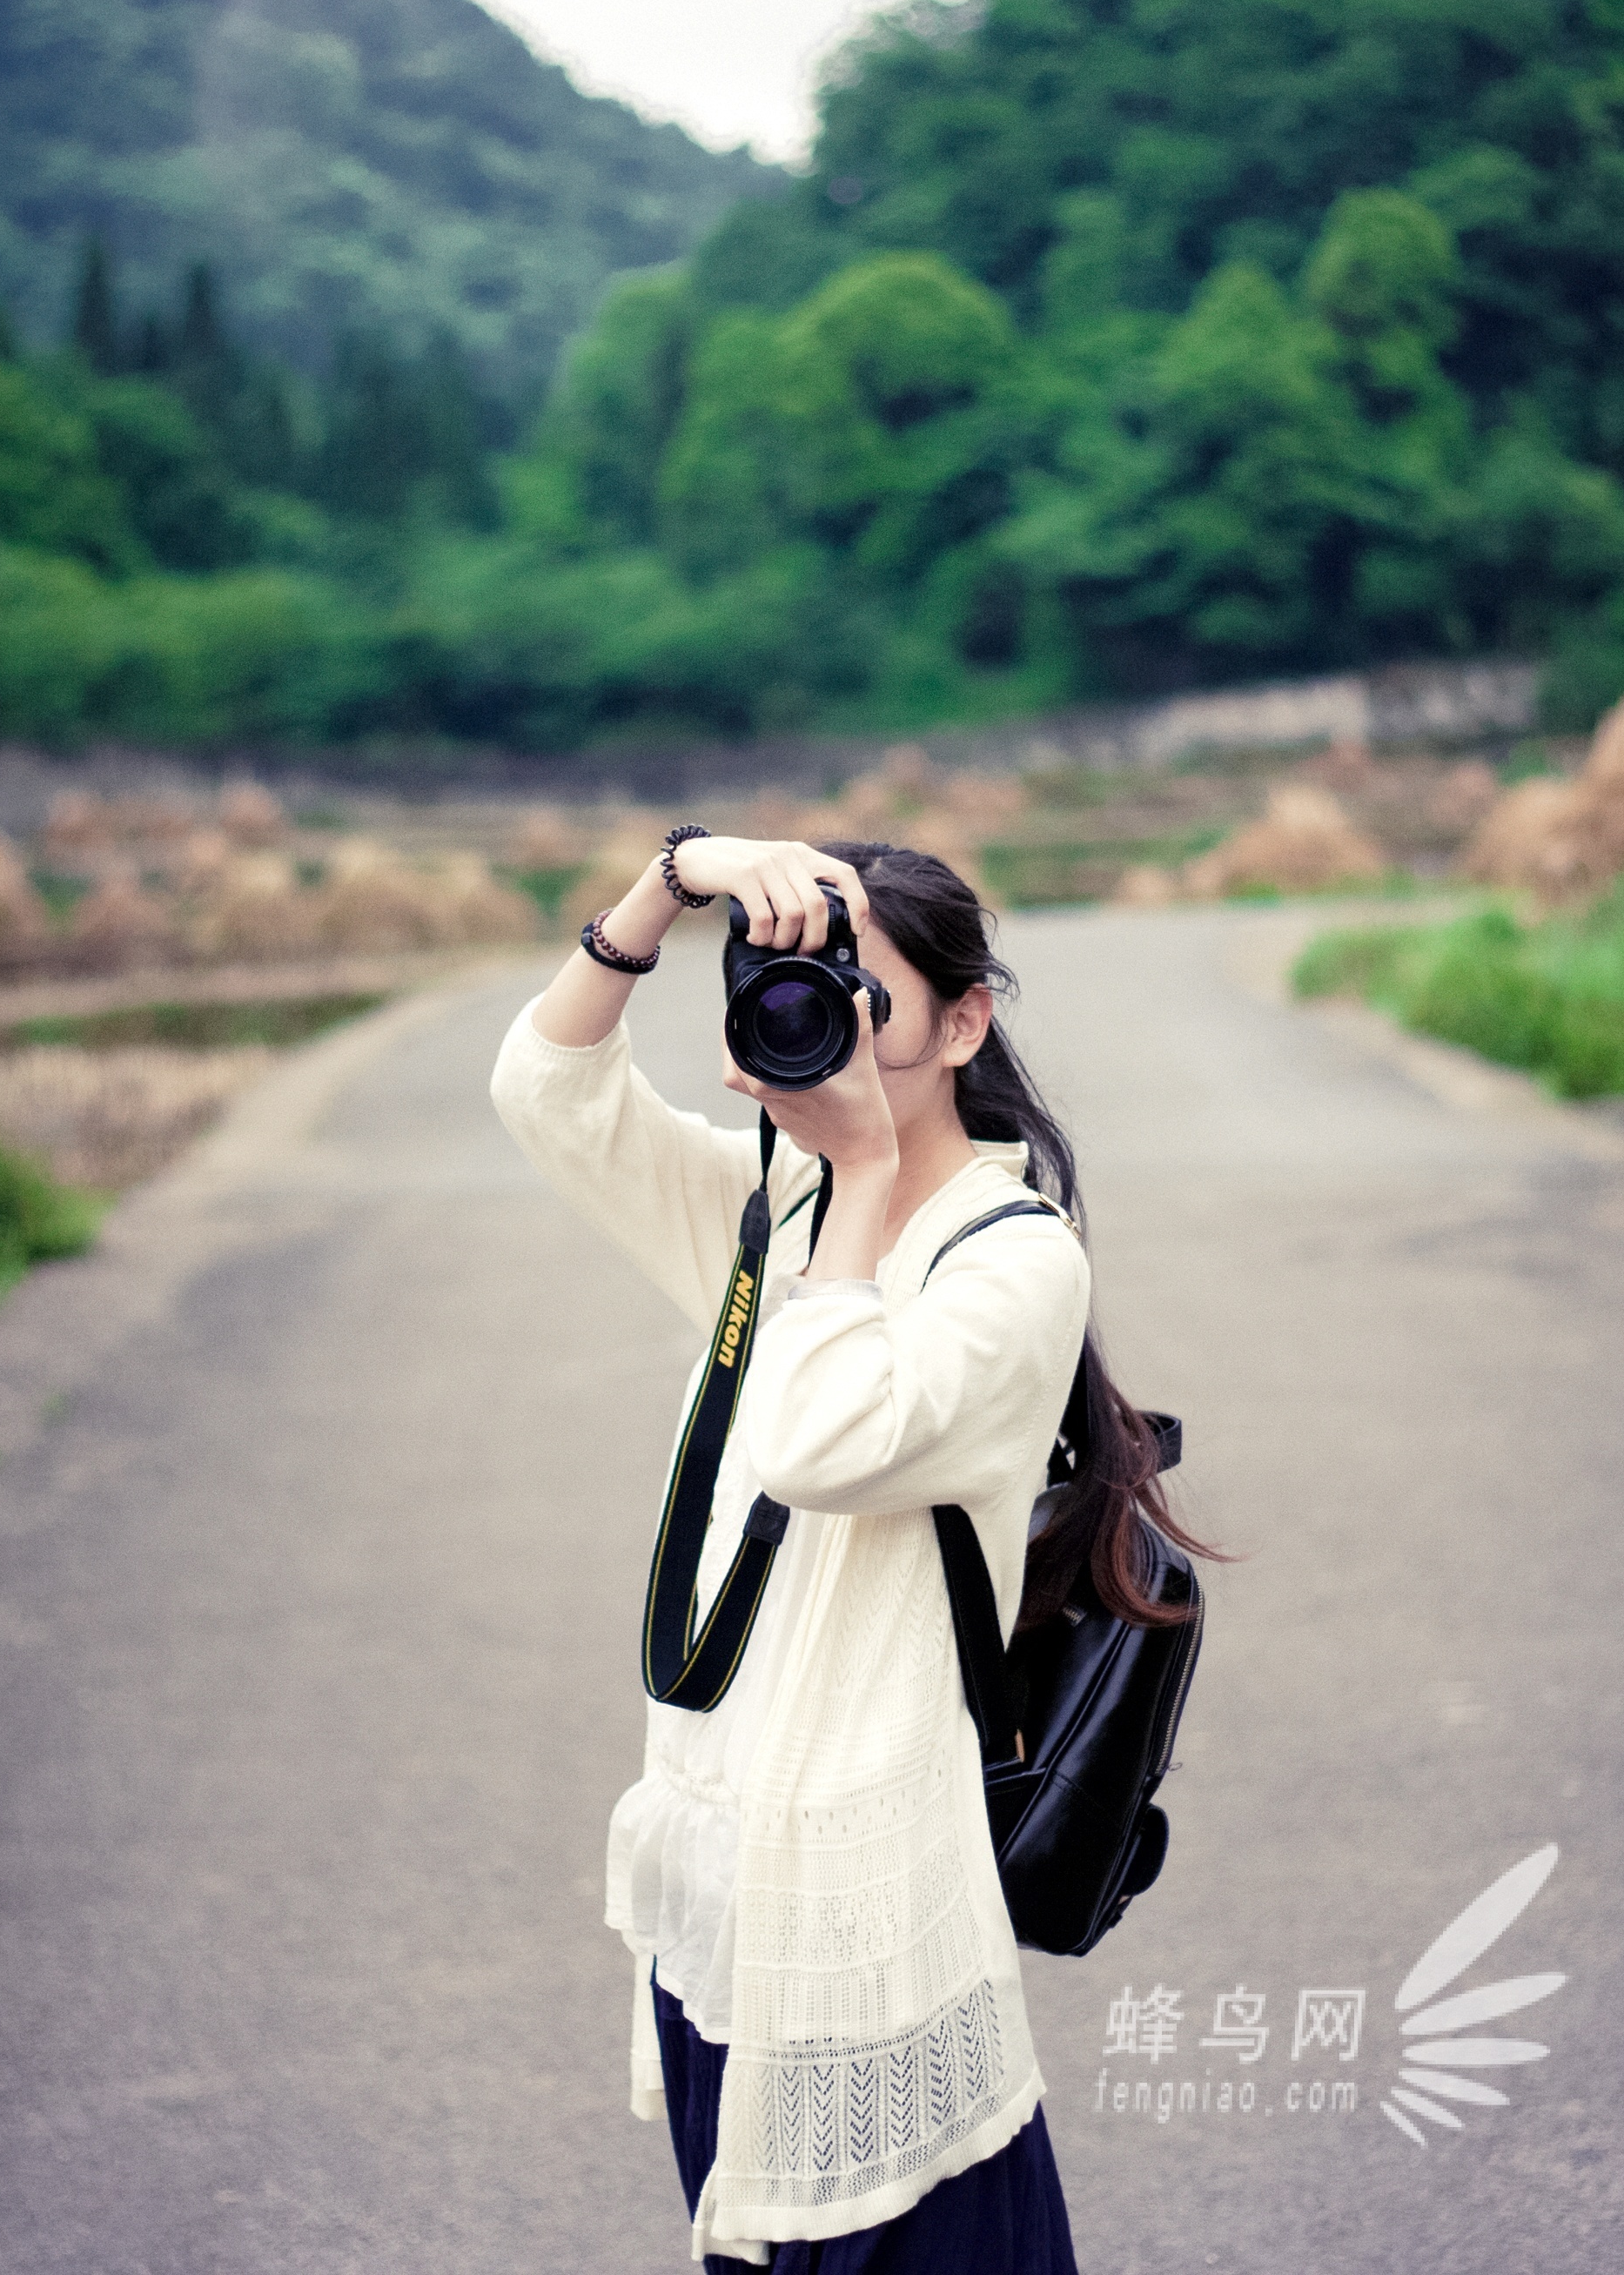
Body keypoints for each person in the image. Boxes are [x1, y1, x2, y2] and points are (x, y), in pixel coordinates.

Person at [490, 828, 1092, 2271]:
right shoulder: (785, 1210)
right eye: (794, 982)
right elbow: (546, 1090)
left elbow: (820, 1442)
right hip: (721, 1892)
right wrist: (674, 880)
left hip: (869, 1910)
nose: (825, 1021)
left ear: (964, 1020)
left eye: (867, 996)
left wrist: (871, 1174)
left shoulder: (1013, 1261)